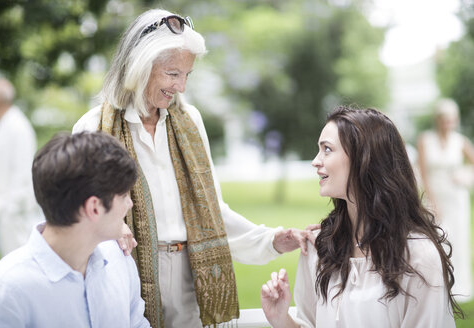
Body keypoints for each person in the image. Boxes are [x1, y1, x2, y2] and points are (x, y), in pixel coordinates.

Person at [73, 8, 312, 328]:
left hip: (192, 275)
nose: (181, 87)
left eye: (187, 75)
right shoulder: (92, 127)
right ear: (140, 67)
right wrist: (111, 224)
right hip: (126, 272)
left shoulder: (190, 122)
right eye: (173, 73)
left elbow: (213, 214)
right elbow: (76, 215)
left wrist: (270, 240)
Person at [260, 107, 460, 327]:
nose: (315, 161)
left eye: (327, 149)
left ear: (363, 158)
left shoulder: (418, 255)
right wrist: (282, 319)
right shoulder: (319, 247)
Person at [0, 131, 150, 328]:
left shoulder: (118, 258)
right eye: (123, 196)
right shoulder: (8, 292)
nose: (129, 204)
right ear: (94, 208)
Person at [417, 98, 474, 302]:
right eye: (445, 119)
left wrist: (466, 174)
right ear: (438, 119)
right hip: (434, 199)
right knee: (436, 242)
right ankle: (437, 287)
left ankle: (460, 286)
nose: (448, 123)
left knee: (458, 241)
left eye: (452, 119)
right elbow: (422, 174)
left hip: (457, 200)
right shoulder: (425, 140)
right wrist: (432, 202)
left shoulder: (460, 141)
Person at [0, 77, 41, 255]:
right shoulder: (3, 125)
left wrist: (9, 207)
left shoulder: (17, 126)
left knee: (18, 263)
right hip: (4, 213)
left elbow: (23, 172)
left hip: (14, 213)